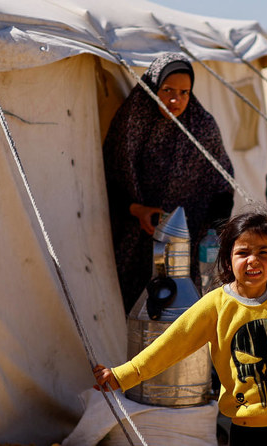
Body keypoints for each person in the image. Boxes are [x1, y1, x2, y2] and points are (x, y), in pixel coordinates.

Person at [94, 207, 267, 446]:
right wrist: (124, 375)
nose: (253, 259)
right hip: (249, 425)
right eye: (243, 252)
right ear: (228, 262)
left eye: (264, 252)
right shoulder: (215, 306)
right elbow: (171, 345)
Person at [103, 53, 235, 313]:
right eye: (167, 91)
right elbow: (108, 182)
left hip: (187, 248)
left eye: (185, 92)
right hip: (134, 242)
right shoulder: (131, 123)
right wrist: (136, 210)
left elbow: (223, 185)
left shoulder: (202, 127)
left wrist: (210, 234)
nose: (176, 100)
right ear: (153, 87)